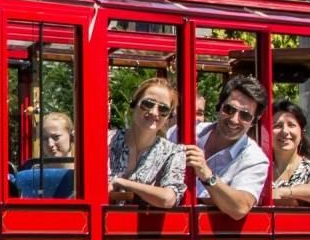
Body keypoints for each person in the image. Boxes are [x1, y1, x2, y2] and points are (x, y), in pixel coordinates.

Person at [185, 74, 270, 220]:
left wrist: (207, 175)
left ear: (254, 121)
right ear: (219, 106)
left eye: (245, 115)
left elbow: (240, 208)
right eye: (229, 109)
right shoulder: (187, 133)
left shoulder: (255, 159)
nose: (234, 119)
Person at [107, 77, 185, 209]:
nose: (154, 112)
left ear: (168, 117)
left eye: (163, 109)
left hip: (144, 226)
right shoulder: (107, 140)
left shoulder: (173, 152)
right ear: (133, 105)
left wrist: (122, 182)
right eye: (148, 104)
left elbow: (168, 199)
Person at [269, 100, 310, 206]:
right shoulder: (260, 169)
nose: (284, 131)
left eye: (291, 125)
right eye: (277, 126)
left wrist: (281, 192)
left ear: (301, 133)